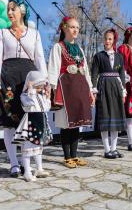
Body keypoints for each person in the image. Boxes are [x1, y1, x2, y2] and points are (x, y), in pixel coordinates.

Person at [0, 0, 47, 177]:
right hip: (8, 80)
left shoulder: (35, 34)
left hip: (28, 81)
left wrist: (44, 81)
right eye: (8, 9)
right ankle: (14, 164)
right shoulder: (2, 33)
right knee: (10, 124)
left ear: (22, 11)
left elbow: (39, 59)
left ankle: (29, 163)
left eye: (13, 9)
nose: (9, 12)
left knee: (30, 121)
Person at [48, 16, 93, 167]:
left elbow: (86, 70)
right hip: (65, 88)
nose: (75, 30)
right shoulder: (58, 47)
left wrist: (90, 90)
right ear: (64, 28)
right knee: (66, 123)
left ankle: (74, 155)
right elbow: (53, 68)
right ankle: (67, 156)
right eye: (72, 27)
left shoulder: (79, 49)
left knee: (76, 123)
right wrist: (52, 88)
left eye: (77, 28)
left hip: (79, 88)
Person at [91, 29, 126, 159]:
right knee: (105, 117)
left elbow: (122, 73)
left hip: (116, 88)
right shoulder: (98, 56)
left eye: (110, 39)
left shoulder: (119, 57)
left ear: (114, 41)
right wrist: (94, 89)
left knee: (115, 119)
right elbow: (94, 73)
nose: (107, 41)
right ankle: (107, 150)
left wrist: (123, 90)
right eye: (106, 38)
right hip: (103, 87)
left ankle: (114, 149)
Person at [13, 71, 51, 181]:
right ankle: (27, 172)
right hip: (31, 124)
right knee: (28, 148)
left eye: (42, 85)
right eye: (38, 85)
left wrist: (47, 98)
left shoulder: (41, 96)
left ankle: (39, 168)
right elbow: (29, 104)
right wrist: (31, 91)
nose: (41, 87)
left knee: (39, 147)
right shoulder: (25, 95)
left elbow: (46, 108)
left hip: (41, 123)